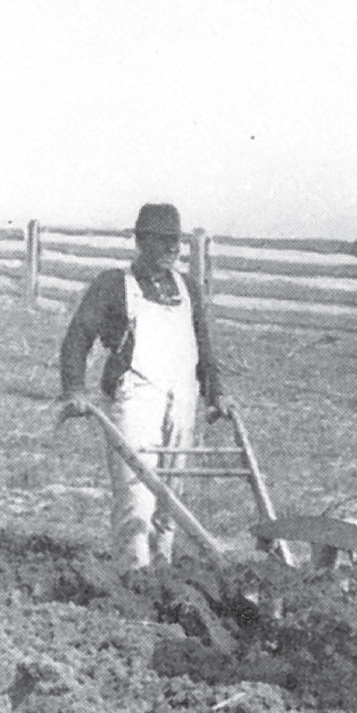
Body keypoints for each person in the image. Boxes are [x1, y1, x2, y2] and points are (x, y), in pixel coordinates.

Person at [58, 203, 225, 573]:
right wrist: (75, 390)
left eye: (175, 240)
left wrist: (217, 394)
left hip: (181, 398)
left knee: (171, 498)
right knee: (137, 495)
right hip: (135, 400)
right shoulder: (114, 285)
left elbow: (204, 347)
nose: (171, 248)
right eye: (162, 240)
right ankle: (133, 575)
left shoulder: (187, 288)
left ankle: (162, 575)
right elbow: (77, 338)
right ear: (140, 241)